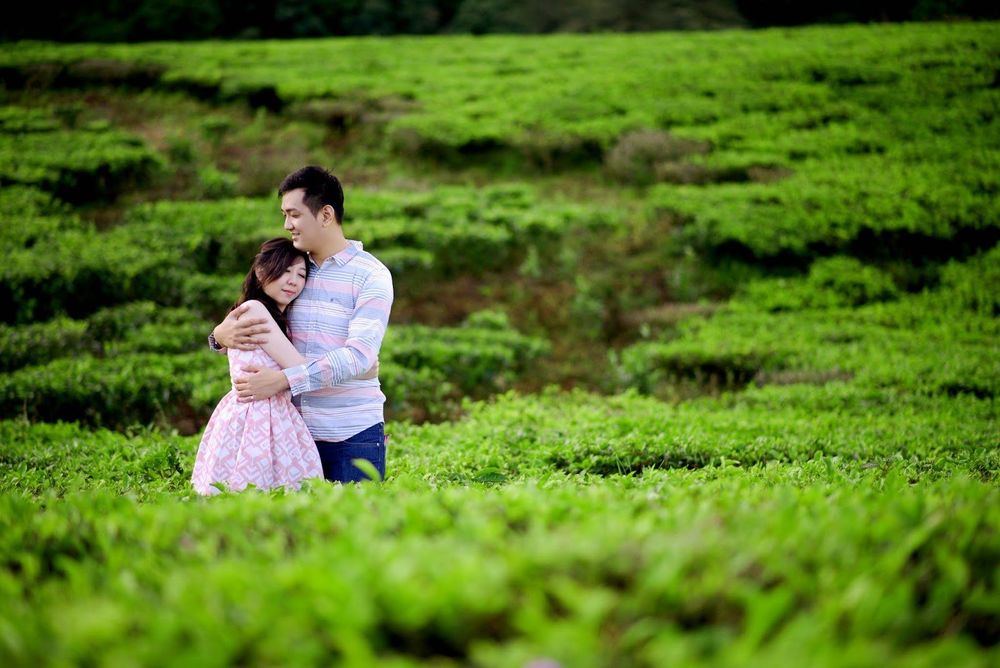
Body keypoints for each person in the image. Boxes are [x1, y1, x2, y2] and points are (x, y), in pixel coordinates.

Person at [210, 166, 394, 483]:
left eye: (294, 214)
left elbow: (358, 357)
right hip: (289, 435)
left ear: (325, 215)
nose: (287, 225)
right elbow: (252, 313)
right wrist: (218, 337)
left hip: (352, 435)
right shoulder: (290, 268)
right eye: (285, 215)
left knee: (354, 528)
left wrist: (283, 380)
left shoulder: (371, 275)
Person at [193, 238, 376, 494]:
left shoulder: (275, 314)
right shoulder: (256, 310)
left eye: (301, 274)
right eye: (284, 270)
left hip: (272, 416)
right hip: (257, 419)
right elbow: (298, 366)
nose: (293, 280)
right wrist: (361, 367)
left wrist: (217, 337)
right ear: (260, 271)